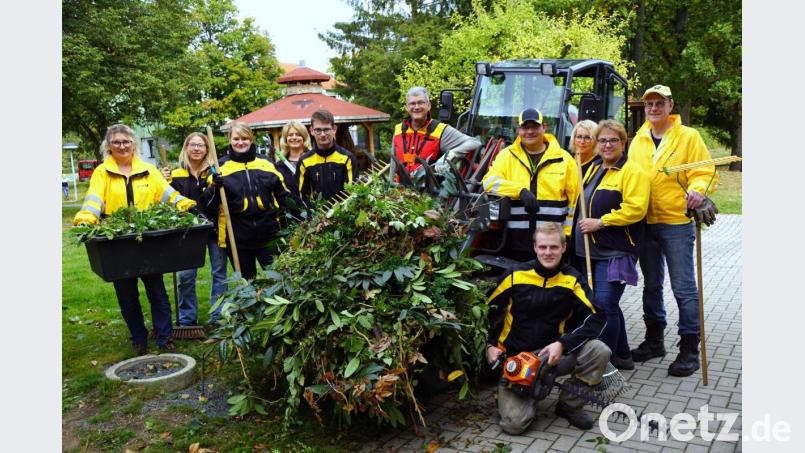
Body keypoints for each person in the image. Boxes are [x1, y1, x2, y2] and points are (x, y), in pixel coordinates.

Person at [74, 124, 196, 354]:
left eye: (126, 141)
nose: (122, 146)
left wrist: (186, 205)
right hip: (117, 240)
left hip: (147, 237)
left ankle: (165, 337)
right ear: (108, 146)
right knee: (126, 293)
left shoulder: (148, 170)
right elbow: (94, 199)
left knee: (157, 291)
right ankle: (138, 337)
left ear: (134, 144)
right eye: (117, 142)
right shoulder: (102, 172)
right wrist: (86, 218)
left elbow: (167, 194)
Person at [628, 85, 718, 377]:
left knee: (684, 288)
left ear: (670, 105)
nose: (653, 108)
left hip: (676, 222)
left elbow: (705, 171)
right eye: (649, 104)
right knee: (651, 285)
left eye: (659, 103)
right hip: (645, 222)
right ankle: (654, 341)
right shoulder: (638, 140)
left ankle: (689, 349)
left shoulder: (688, 136)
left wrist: (698, 190)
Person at [485, 223, 610, 434]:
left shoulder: (573, 279)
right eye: (543, 247)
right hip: (517, 360)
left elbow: (598, 317)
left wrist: (563, 344)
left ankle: (569, 404)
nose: (548, 252)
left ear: (563, 247)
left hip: (552, 357)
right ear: (534, 247)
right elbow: (485, 312)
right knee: (514, 425)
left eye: (553, 247)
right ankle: (519, 393)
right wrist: (488, 345)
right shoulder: (514, 274)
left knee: (599, 350)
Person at [575, 120, 650, 370]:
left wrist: (601, 222)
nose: (607, 145)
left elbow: (636, 209)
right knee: (606, 305)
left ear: (623, 142)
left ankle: (603, 363)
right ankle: (623, 355)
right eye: (603, 140)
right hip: (590, 250)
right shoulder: (595, 167)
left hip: (615, 251)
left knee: (605, 305)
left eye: (613, 140)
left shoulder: (632, 171)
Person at [199, 122, 301, 280]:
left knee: (280, 280)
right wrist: (215, 189)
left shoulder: (266, 164)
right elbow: (208, 206)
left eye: (245, 138)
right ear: (230, 140)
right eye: (236, 138)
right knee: (248, 285)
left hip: (269, 235)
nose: (240, 142)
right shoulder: (220, 168)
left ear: (251, 139)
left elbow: (283, 196)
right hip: (238, 239)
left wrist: (303, 211)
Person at [482, 108, 580, 261]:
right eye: (525, 127)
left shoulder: (564, 159)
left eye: (534, 126)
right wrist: (519, 191)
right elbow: (488, 182)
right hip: (515, 242)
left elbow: (575, 203)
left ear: (544, 127)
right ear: (519, 130)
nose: (529, 131)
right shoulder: (506, 156)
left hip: (551, 244)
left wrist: (566, 235)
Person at [161, 133, 228, 325]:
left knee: (220, 273)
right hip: (187, 232)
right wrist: (164, 183)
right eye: (193, 145)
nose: (197, 148)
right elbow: (167, 202)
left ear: (207, 149)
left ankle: (218, 317)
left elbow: (217, 202)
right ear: (186, 148)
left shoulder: (214, 173)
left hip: (213, 228)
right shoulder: (175, 175)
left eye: (201, 145)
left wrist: (217, 184)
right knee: (186, 277)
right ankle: (188, 319)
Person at [390, 86, 480, 193]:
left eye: (421, 103)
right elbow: (393, 163)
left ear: (428, 105)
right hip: (400, 194)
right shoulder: (398, 130)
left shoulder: (441, 130)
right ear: (407, 107)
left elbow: (475, 142)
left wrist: (452, 154)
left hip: (429, 197)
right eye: (412, 104)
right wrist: (390, 187)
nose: (416, 107)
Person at [297, 109, 358, 202]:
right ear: (311, 131)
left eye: (326, 129)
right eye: (318, 130)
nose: (322, 134)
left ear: (334, 129)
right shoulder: (304, 161)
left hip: (344, 213)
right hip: (316, 214)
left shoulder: (347, 158)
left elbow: (351, 192)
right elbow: (302, 195)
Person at [567, 119, 599, 268]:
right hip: (567, 222)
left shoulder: (599, 164)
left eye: (588, 137)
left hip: (587, 222)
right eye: (579, 137)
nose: (582, 141)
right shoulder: (567, 161)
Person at [274, 121, 311, 198]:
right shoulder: (279, 165)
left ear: (304, 138)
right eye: (290, 135)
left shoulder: (312, 160)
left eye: (298, 134)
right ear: (285, 139)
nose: (294, 137)